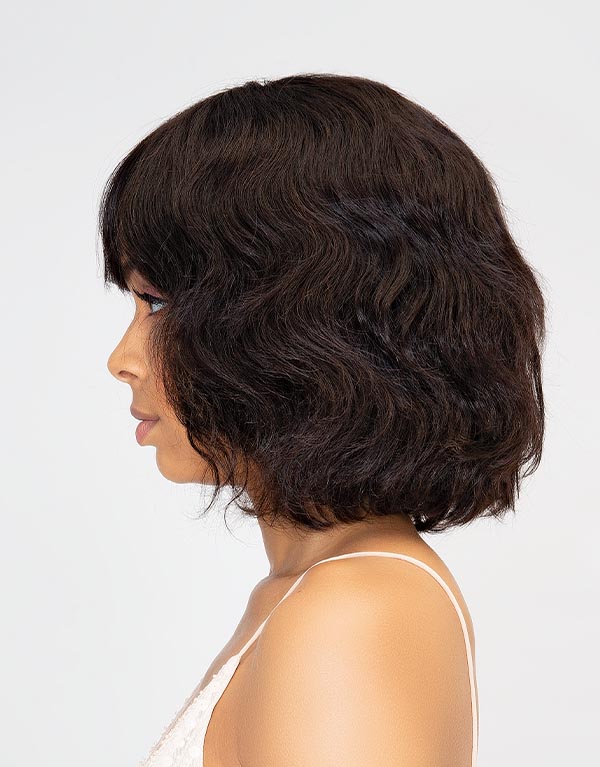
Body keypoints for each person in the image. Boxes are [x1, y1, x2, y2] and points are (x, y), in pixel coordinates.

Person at [102, 72, 546, 767]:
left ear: (291, 323)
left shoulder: (350, 609)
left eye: (156, 303)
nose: (121, 360)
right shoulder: (312, 595)